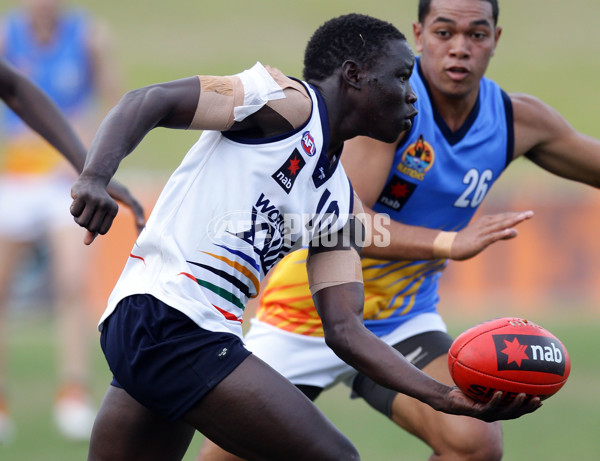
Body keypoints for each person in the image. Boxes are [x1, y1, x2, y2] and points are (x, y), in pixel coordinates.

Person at [69, 13, 539, 461]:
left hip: (178, 332)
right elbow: (145, 100)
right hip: (168, 317)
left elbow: (347, 331)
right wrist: (94, 177)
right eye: (401, 78)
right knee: (334, 456)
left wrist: (444, 397)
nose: (412, 97)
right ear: (354, 75)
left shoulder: (336, 200)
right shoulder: (285, 102)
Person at [197, 1, 600, 460]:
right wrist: (449, 243)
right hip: (308, 313)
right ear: (420, 34)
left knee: (474, 442)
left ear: (496, 40)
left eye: (476, 35)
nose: (460, 49)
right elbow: (345, 225)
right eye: (445, 33)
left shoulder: (515, 120)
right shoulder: (385, 106)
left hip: (401, 320)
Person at [0, 0, 144, 442]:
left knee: (70, 281)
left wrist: (92, 161)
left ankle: (73, 392)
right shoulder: (8, 34)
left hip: (64, 180)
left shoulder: (87, 36)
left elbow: (114, 103)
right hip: (15, 179)